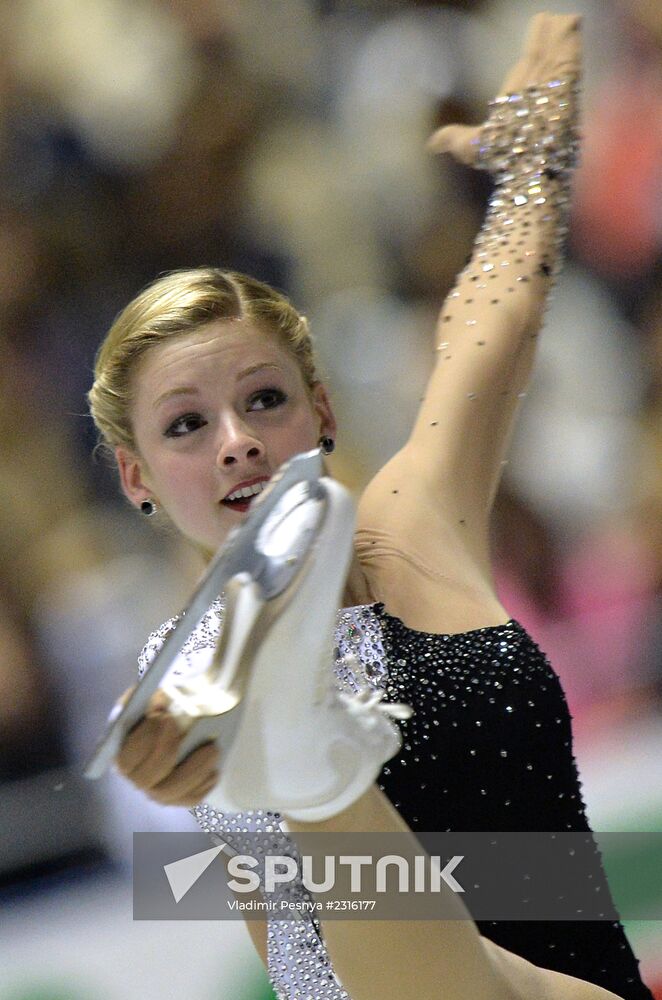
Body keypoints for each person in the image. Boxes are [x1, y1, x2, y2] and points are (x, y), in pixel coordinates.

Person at [87, 13, 652, 1000]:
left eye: (262, 398)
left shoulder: (415, 519)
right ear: (136, 479)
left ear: (321, 410)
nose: (235, 439)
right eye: (185, 425)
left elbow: (492, 320)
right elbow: (287, 952)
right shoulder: (182, 672)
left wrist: (528, 158)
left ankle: (305, 760)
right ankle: (304, 760)